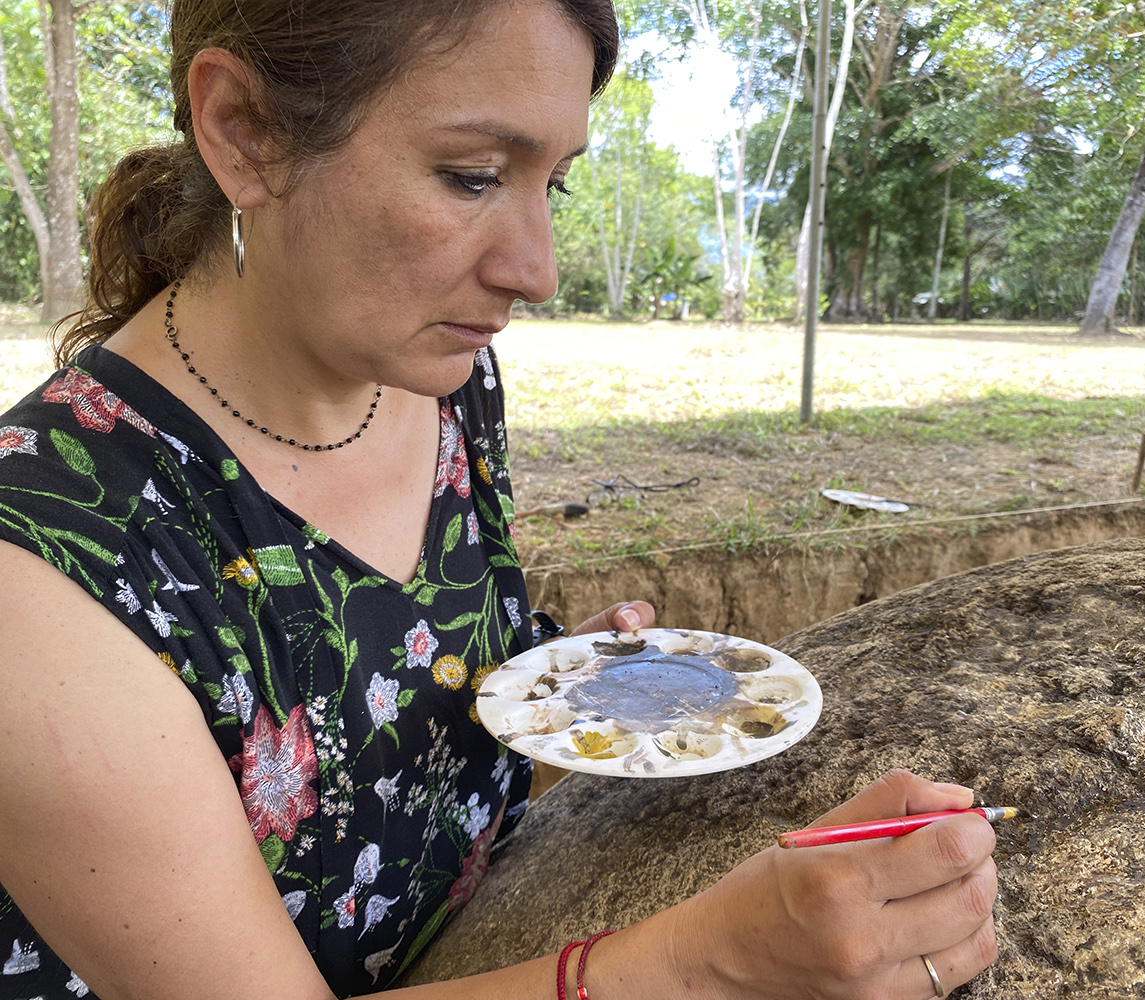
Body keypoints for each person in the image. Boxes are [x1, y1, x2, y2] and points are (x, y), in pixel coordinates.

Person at [0, 2, 1000, 998]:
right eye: (473, 176)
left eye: (552, 182)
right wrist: (719, 959)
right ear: (243, 132)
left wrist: (552, 704)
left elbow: (382, 753)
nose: (538, 269)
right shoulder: (44, 567)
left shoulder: (439, 381)